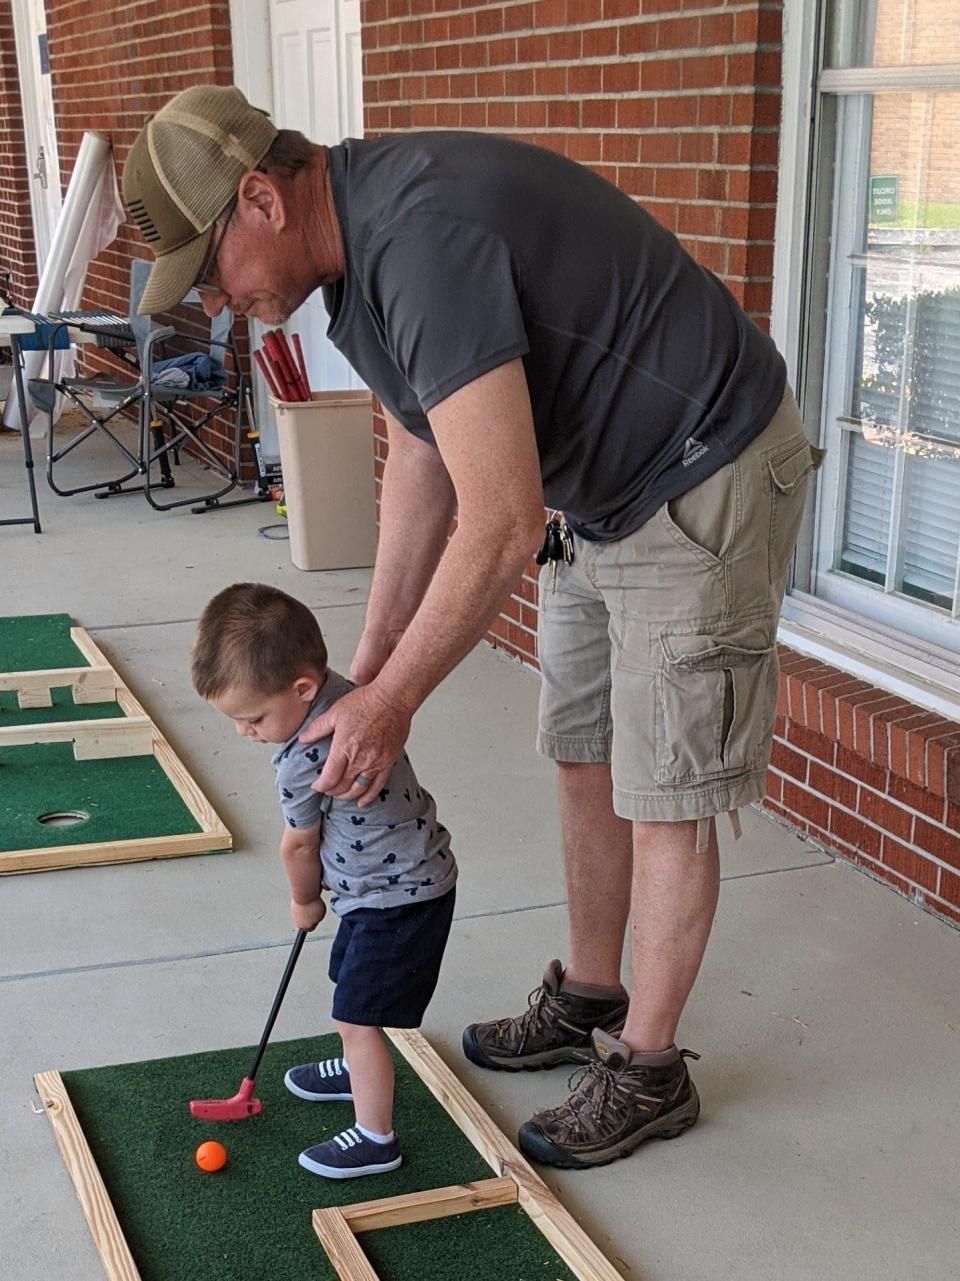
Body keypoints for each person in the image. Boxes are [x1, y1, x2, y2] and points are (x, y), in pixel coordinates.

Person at [128, 85, 823, 1171]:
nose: (215, 302)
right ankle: (592, 995)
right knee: (582, 751)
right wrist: (364, 676)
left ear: (259, 197)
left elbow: (498, 522)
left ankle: (647, 1069)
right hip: (599, 491)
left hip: (703, 472)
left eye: (210, 270)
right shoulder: (351, 260)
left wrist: (397, 699)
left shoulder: (418, 243)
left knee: (669, 794)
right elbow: (423, 452)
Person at [191, 582, 457, 1178]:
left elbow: (298, 842)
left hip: (396, 899)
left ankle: (375, 1138)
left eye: (253, 718)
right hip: (395, 885)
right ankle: (356, 1069)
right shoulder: (351, 699)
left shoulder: (300, 759)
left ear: (302, 689)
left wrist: (302, 900)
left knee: (358, 1018)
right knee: (349, 991)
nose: (245, 732)